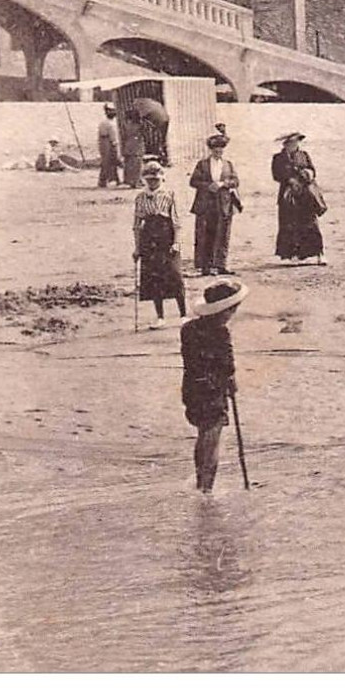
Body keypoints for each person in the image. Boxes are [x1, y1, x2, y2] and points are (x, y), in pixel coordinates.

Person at [180, 278, 246, 493]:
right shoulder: (221, 333)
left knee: (203, 434)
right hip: (212, 389)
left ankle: (201, 480)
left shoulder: (188, 329)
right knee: (213, 437)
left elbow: (191, 359)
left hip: (192, 387)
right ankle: (207, 488)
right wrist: (231, 382)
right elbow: (227, 365)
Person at [133, 159, 187, 329]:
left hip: (167, 235)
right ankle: (160, 316)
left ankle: (183, 314)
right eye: (150, 179)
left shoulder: (169, 194)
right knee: (154, 278)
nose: (153, 182)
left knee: (175, 275)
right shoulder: (140, 197)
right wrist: (137, 248)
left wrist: (176, 242)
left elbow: (176, 221)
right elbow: (136, 225)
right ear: (145, 180)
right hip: (149, 238)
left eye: (156, 179)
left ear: (162, 178)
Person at [189, 133, 241, 276]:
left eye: (221, 150)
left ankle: (221, 265)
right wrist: (208, 186)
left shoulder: (228, 164)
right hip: (206, 204)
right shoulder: (202, 164)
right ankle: (206, 266)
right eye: (216, 150)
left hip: (224, 203)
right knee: (206, 234)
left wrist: (224, 183)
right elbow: (193, 181)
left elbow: (236, 181)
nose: (218, 153)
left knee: (223, 234)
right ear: (211, 150)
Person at [271, 133, 325, 264]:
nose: (294, 146)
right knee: (289, 224)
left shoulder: (304, 155)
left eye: (296, 143)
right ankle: (292, 255)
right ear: (285, 144)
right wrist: (289, 179)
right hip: (288, 195)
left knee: (311, 223)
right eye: (291, 143)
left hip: (305, 194)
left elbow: (312, 170)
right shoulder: (278, 158)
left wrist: (308, 174)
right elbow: (276, 174)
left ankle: (318, 253)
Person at [127, 96, 170, 166]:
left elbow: (141, 119)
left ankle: (158, 156)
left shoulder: (141, 107)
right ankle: (165, 158)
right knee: (162, 141)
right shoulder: (152, 104)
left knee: (156, 141)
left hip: (158, 122)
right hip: (164, 120)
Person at [96, 104, 122, 187]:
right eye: (111, 111)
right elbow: (106, 135)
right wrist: (113, 144)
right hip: (107, 143)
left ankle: (115, 179)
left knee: (113, 161)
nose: (113, 112)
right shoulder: (105, 123)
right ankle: (102, 181)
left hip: (111, 142)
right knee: (106, 162)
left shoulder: (113, 122)